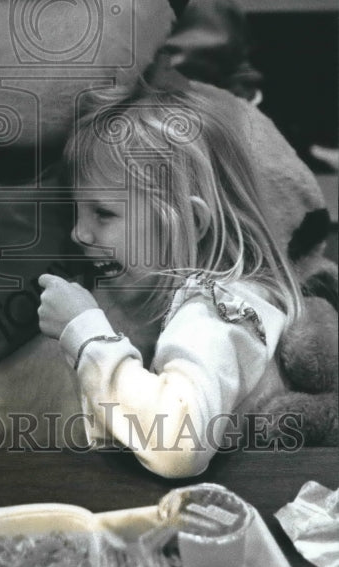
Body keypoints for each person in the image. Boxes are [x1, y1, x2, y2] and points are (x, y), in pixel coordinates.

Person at [37, 80, 306, 477]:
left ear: (192, 222)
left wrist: (86, 334)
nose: (80, 233)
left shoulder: (217, 309)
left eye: (103, 213)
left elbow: (177, 446)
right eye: (77, 211)